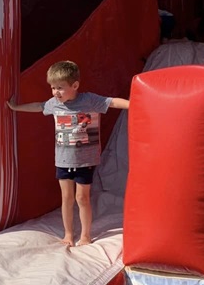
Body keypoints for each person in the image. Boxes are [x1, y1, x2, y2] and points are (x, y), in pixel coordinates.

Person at [7, 60, 130, 247]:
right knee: (66, 197)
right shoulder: (53, 104)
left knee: (82, 198)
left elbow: (111, 102)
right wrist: (16, 107)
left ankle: (86, 235)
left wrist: (134, 104)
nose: (56, 92)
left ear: (75, 86)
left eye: (60, 88)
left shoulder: (89, 100)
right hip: (63, 159)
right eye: (53, 87)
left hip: (85, 160)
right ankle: (68, 234)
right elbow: (39, 106)